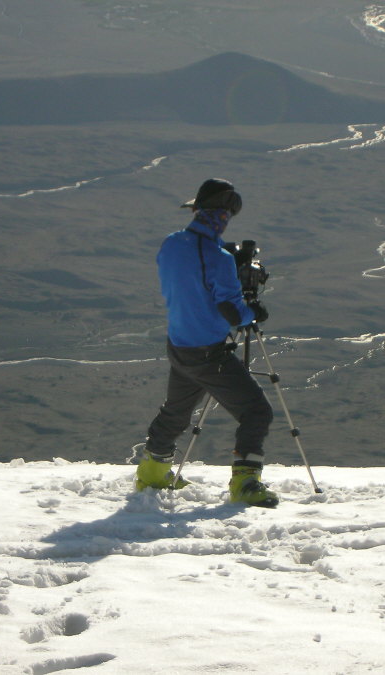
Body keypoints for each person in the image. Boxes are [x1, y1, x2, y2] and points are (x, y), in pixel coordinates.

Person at [136, 178, 278, 507]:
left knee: (176, 412)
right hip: (208, 352)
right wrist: (253, 312)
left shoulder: (171, 244)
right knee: (257, 411)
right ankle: (245, 484)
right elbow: (231, 310)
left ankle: (152, 473)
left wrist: (223, 258)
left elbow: (189, 276)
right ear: (223, 216)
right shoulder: (218, 258)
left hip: (179, 344)